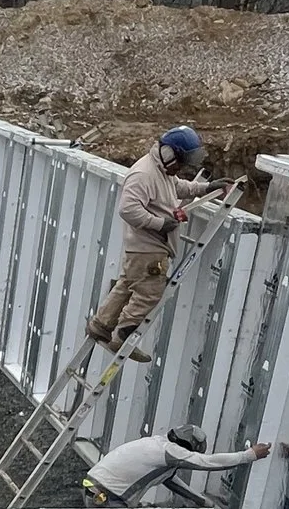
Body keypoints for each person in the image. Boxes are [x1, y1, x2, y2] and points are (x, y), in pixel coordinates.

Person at [85, 126, 227, 350]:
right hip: (148, 247)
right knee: (149, 293)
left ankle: (100, 325)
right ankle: (121, 337)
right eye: (180, 162)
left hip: (143, 248)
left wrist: (206, 188)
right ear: (170, 154)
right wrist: (159, 223)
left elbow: (177, 187)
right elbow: (128, 209)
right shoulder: (144, 174)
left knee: (127, 285)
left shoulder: (161, 170)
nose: (181, 167)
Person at [81, 424, 271, 509]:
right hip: (109, 496)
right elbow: (207, 462)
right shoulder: (169, 451)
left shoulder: (157, 444)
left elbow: (171, 482)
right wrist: (249, 455)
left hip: (93, 487)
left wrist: (203, 502)